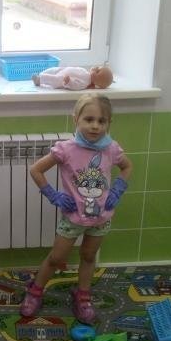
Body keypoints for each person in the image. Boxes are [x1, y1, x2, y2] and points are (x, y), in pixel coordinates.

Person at [20, 93, 132, 323]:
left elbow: (127, 167)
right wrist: (53, 195)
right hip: (72, 218)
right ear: (76, 119)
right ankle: (35, 291)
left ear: (109, 123)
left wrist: (117, 190)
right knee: (56, 258)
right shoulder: (66, 149)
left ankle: (82, 296)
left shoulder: (111, 149)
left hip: (101, 218)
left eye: (101, 121)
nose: (95, 126)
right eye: (89, 119)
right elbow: (36, 170)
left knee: (88, 256)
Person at [32, 64, 113, 91]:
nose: (96, 68)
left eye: (98, 71)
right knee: (54, 69)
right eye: (98, 68)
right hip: (63, 70)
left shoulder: (85, 83)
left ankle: (39, 80)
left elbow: (76, 85)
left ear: (96, 82)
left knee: (54, 79)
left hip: (63, 79)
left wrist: (69, 82)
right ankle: (42, 74)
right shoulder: (86, 72)